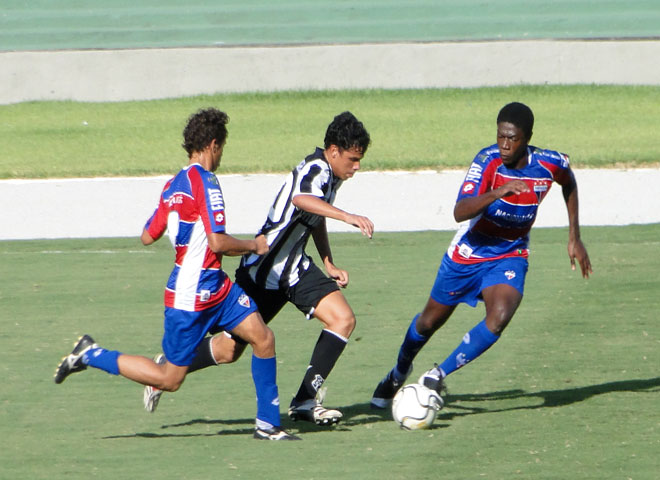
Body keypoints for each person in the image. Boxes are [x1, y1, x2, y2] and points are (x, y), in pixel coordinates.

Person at [54, 107, 299, 441]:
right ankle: (90, 354)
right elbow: (217, 241)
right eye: (222, 147)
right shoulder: (206, 181)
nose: (222, 154)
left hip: (217, 288)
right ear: (213, 144)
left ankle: (268, 425)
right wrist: (253, 246)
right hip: (190, 296)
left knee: (261, 338)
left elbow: (146, 235)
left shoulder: (173, 185)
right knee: (169, 379)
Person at [147, 111, 374, 426]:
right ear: (333, 150)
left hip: (292, 268)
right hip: (264, 267)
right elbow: (302, 199)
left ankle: (305, 401)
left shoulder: (331, 175)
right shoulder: (316, 168)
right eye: (352, 159)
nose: (357, 166)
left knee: (343, 319)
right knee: (229, 350)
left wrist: (327, 261)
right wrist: (348, 216)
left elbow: (314, 216)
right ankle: (167, 366)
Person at [371, 102, 593, 408]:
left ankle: (437, 375)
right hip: (469, 252)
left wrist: (575, 237)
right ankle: (398, 372)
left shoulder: (549, 163)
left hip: (510, 253)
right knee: (428, 323)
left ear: (527, 137)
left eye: (512, 138)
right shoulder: (487, 161)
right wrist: (497, 193)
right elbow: (459, 212)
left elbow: (568, 182)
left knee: (499, 317)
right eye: (500, 136)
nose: (504, 144)